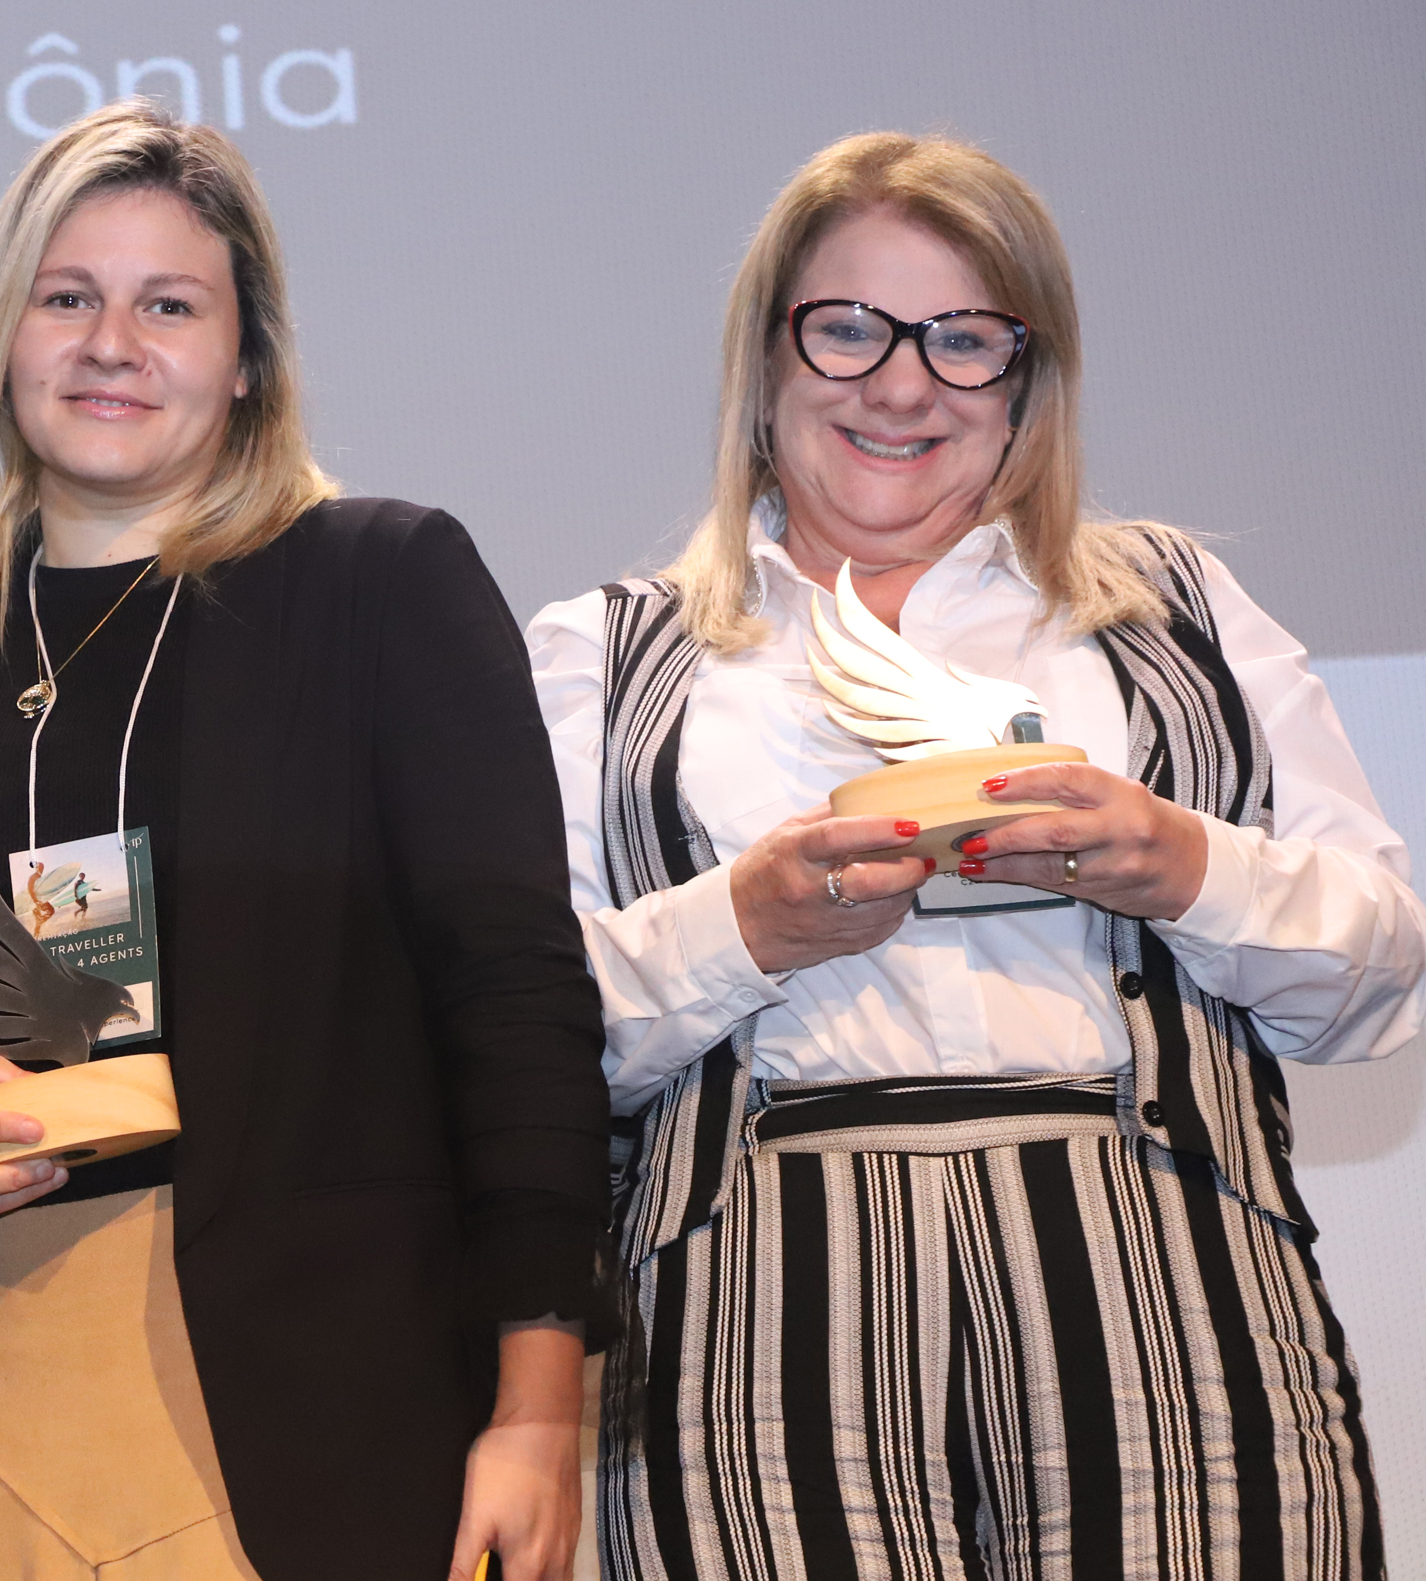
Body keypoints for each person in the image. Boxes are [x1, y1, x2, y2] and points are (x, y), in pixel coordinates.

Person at [529, 133, 1425, 1577]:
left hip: (1169, 1263)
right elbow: (520, 1044)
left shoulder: (1175, 609)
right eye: (847, 329)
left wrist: (1181, 865)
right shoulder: (610, 651)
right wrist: (740, 929)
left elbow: (1378, 983)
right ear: (765, 359)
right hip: (757, 1299)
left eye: (962, 339)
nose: (901, 386)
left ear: (1028, 378)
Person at [0, 100, 609, 1581]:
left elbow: (518, 1005)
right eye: (66, 299)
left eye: (169, 305)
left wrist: (537, 1410)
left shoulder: (378, 589)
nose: (112, 345)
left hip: (321, 1408)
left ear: (246, 357)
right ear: (2, 339)